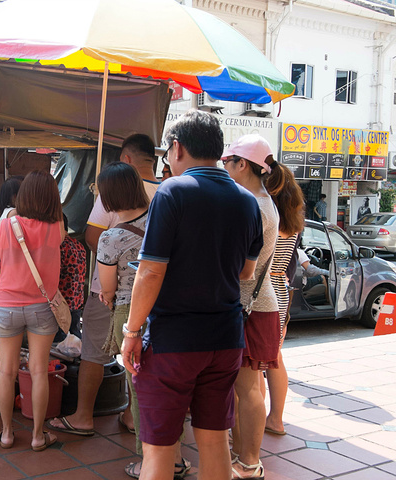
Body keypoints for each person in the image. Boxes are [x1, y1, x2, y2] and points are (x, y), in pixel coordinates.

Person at [121, 110, 263, 480]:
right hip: (225, 338)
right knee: (215, 442)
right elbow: (246, 272)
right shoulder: (247, 201)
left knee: (160, 450)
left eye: (167, 151)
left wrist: (132, 332)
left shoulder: (173, 191)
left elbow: (151, 271)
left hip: (173, 341)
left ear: (177, 147)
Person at [48, 134, 159, 438]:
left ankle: (84, 416)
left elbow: (93, 238)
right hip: (151, 294)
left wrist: (114, 253)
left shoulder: (113, 195)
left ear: (126, 158)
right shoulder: (165, 195)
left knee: (94, 354)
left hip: (108, 294)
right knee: (140, 359)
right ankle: (132, 415)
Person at [94, 162, 191, 479]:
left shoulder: (110, 239)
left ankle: (151, 464)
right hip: (168, 312)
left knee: (140, 396)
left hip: (130, 314)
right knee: (167, 392)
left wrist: (107, 297)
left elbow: (107, 287)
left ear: (108, 198)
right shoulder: (163, 220)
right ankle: (175, 459)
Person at [0, 170, 65, 452]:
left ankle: (6, 434)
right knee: (39, 371)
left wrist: (9, 279)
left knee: (6, 372)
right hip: (42, 307)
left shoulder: (3, 226)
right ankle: (38, 436)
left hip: (6, 306)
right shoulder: (58, 226)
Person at [222, 134, 280, 480]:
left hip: (251, 306)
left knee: (248, 388)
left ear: (242, 165)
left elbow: (241, 267)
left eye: (227, 162)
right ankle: (241, 456)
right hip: (256, 304)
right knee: (245, 389)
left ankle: (249, 462)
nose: (223, 168)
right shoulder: (258, 200)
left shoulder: (254, 206)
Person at [263, 156, 305, 437]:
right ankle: (275, 418)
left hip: (262, 289)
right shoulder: (293, 219)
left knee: (252, 362)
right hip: (281, 288)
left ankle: (242, 425)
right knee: (274, 357)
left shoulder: (266, 215)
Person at [53, 214, 87, 343]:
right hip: (77, 303)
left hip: (60, 306)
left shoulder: (58, 247)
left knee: (59, 347)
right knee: (75, 344)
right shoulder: (79, 245)